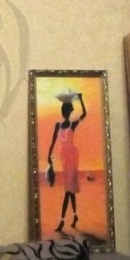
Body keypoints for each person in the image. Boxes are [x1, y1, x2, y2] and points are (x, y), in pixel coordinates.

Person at [47, 92, 86, 233]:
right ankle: (75, 216)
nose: (65, 113)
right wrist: (48, 156)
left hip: (73, 155)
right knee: (70, 188)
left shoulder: (73, 124)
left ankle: (62, 221)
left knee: (68, 189)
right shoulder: (57, 125)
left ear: (68, 112)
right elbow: (53, 142)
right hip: (64, 157)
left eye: (66, 110)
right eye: (64, 110)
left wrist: (81, 100)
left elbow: (84, 114)